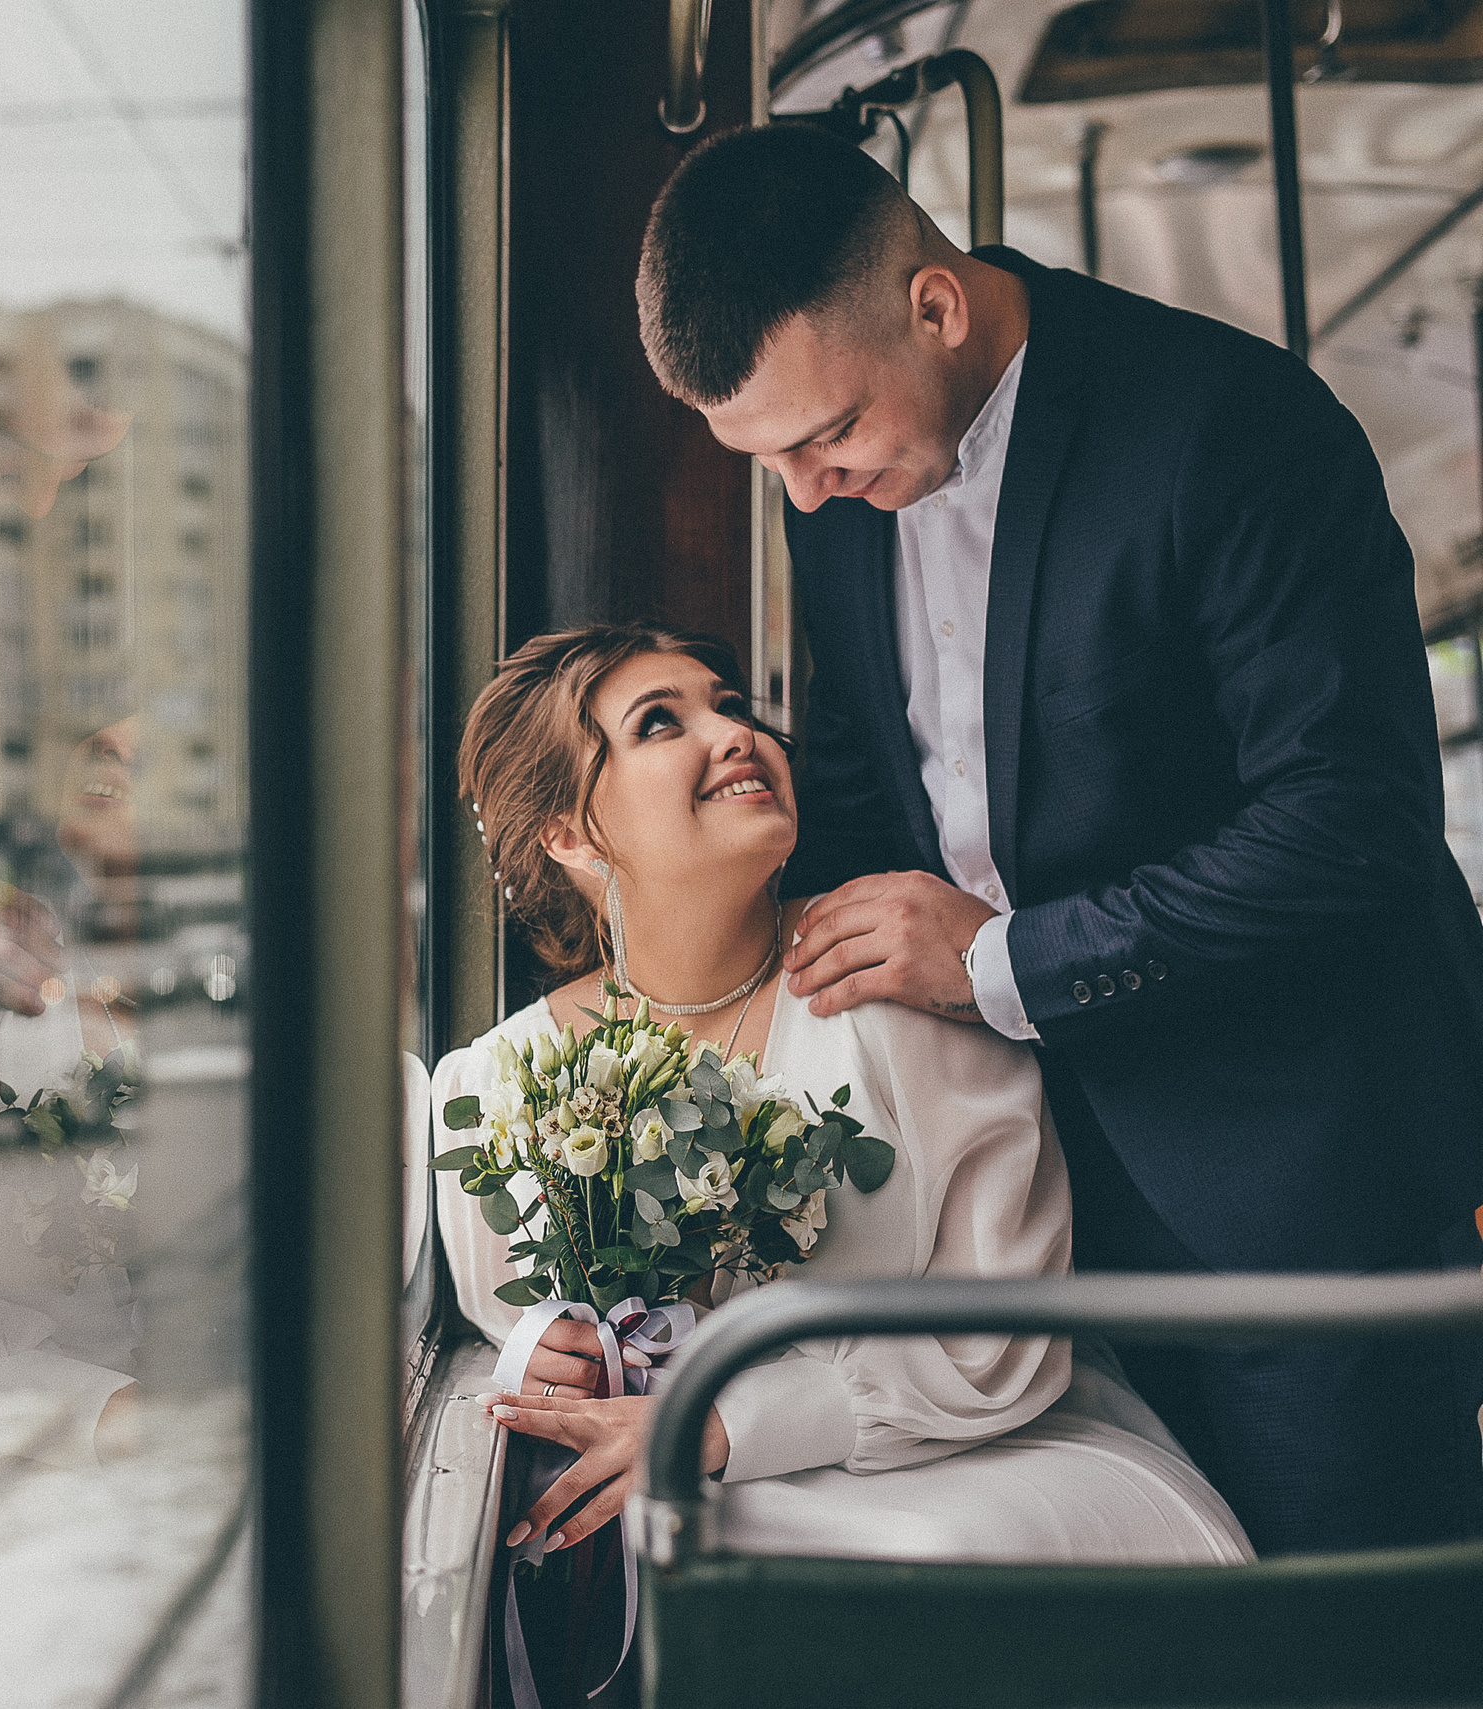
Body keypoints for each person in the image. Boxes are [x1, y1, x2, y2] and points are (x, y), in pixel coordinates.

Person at [631, 122, 1483, 1555]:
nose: (806, 491)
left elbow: (1351, 825)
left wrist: (1000, 963)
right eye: (767, 458)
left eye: (827, 435)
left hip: (1300, 1183)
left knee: (1348, 1633)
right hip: (1034, 1205)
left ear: (937, 305)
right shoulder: (837, 495)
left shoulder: (1234, 427)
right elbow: (874, 764)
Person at [438, 621, 1250, 1566]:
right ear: (570, 833)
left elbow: (1005, 1328)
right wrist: (538, 1353)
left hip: (978, 1465)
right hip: (682, 1508)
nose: (737, 735)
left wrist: (726, 1426)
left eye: (732, 706)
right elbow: (502, 1319)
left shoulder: (905, 990)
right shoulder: (497, 1086)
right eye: (662, 723)